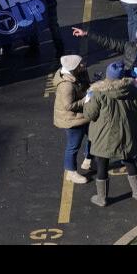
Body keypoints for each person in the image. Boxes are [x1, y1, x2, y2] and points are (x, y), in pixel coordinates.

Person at [82, 60, 137, 206]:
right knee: (130, 161)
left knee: (102, 164)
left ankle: (102, 198)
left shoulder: (98, 93)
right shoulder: (133, 90)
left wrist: (87, 101)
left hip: (104, 136)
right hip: (127, 134)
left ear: (107, 76)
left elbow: (90, 115)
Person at [52, 54, 93, 182]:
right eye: (80, 64)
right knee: (73, 146)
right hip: (72, 119)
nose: (83, 65)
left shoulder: (76, 74)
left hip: (82, 115)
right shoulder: (66, 86)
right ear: (73, 68)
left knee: (93, 136)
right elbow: (69, 106)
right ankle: (71, 172)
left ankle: (89, 160)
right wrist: (85, 99)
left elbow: (84, 85)